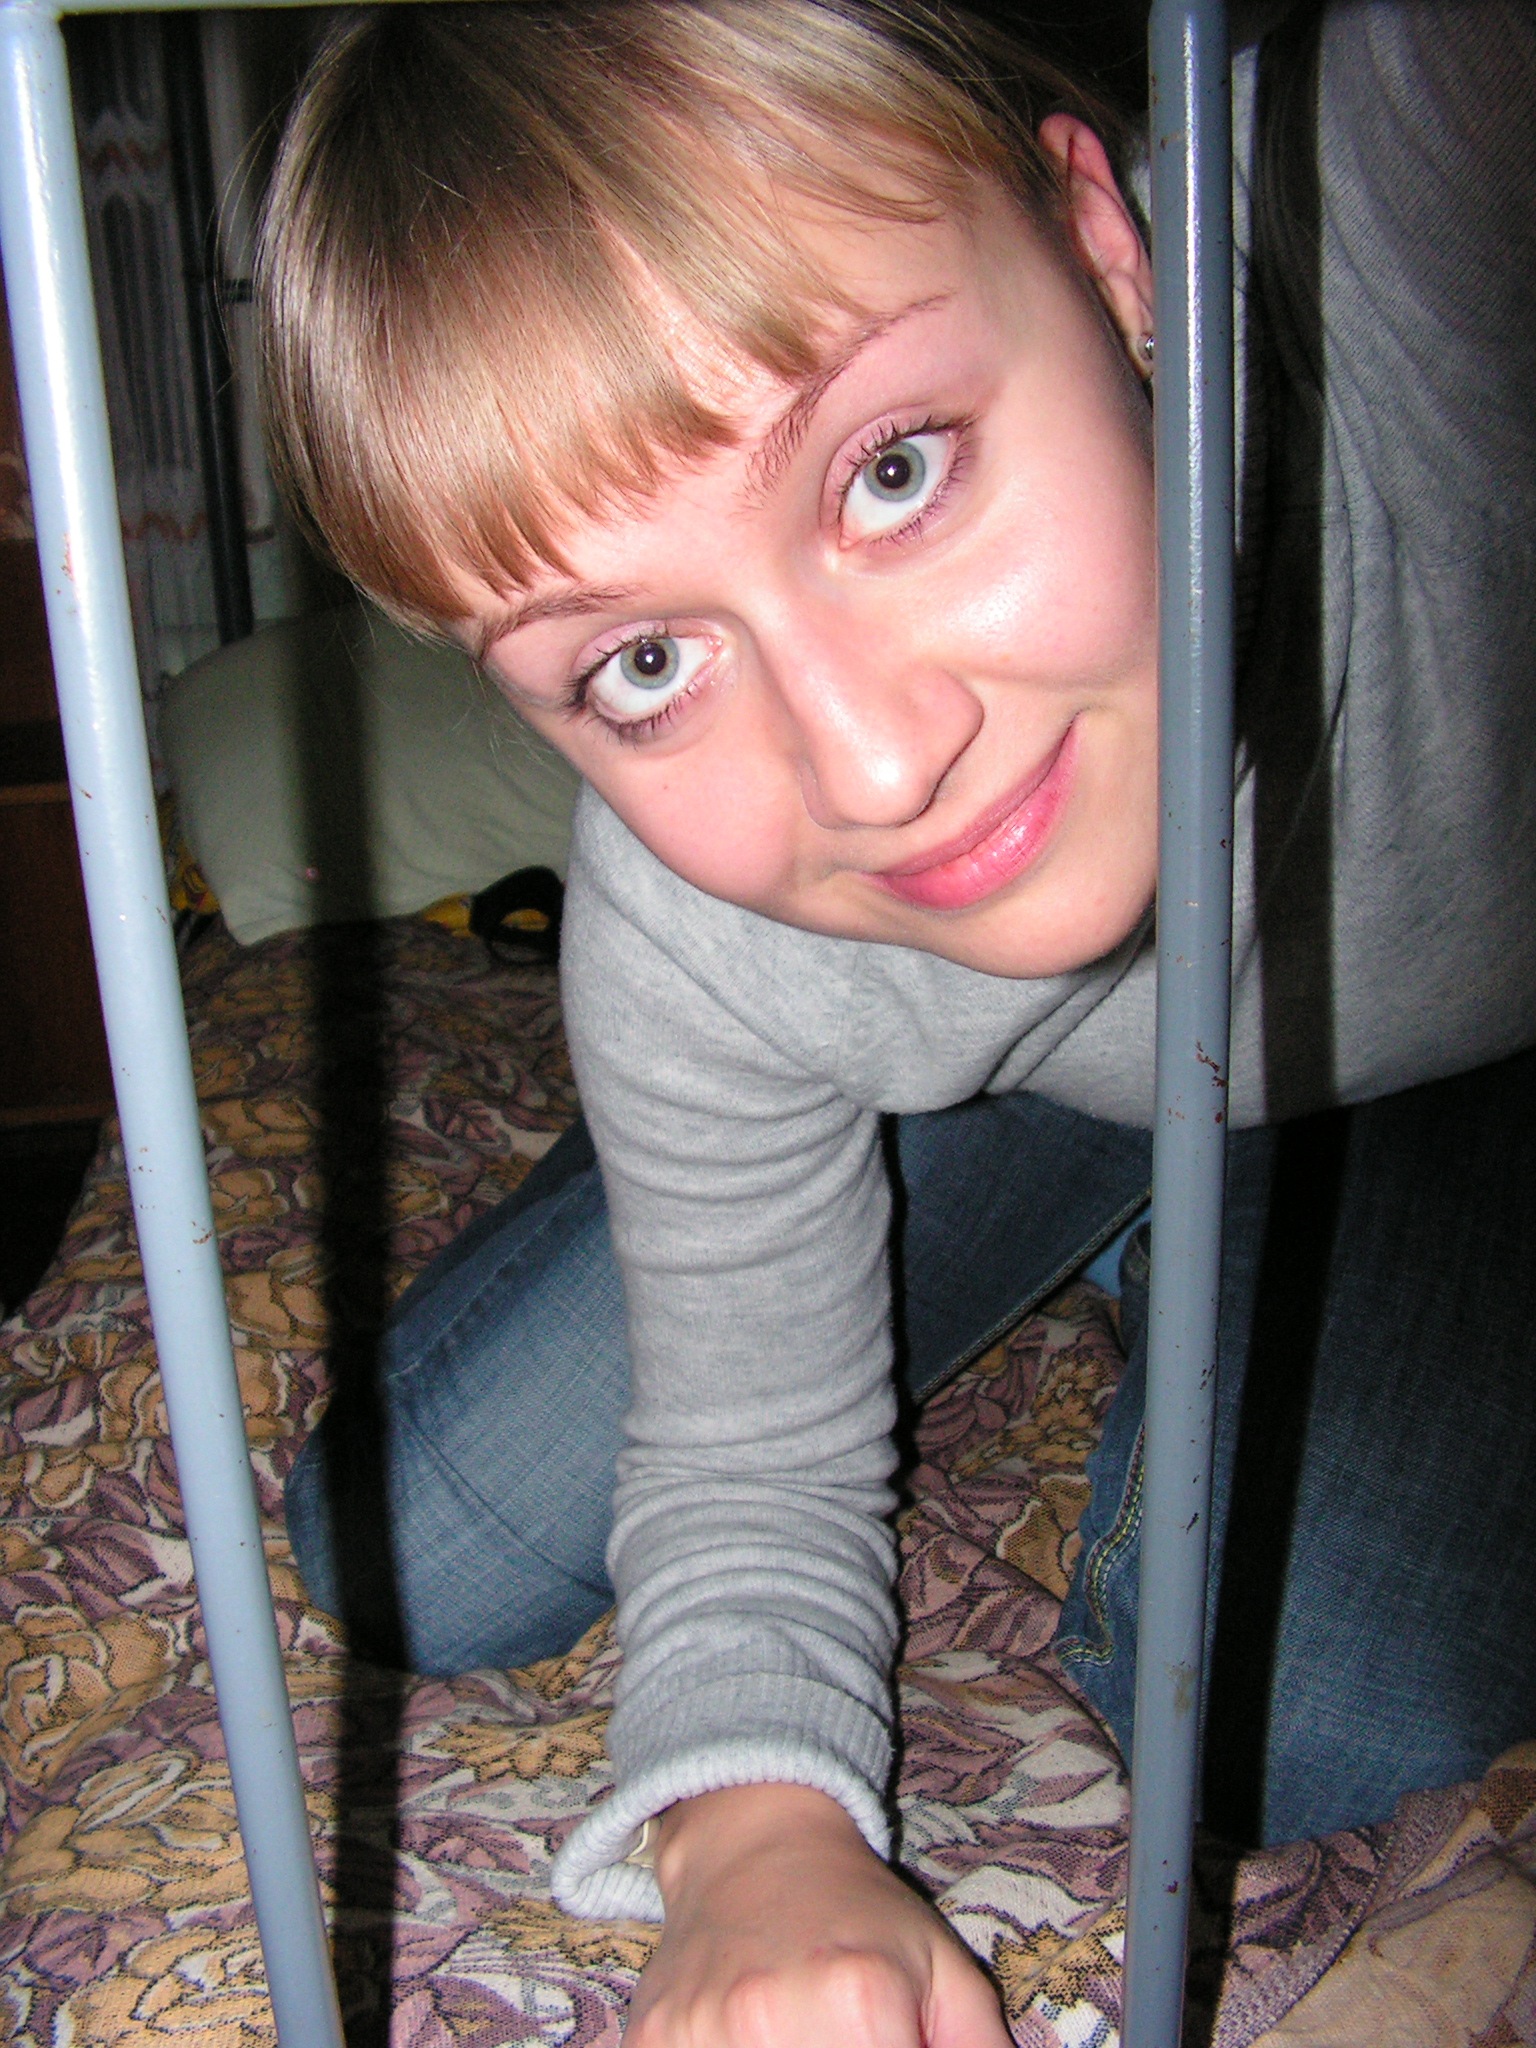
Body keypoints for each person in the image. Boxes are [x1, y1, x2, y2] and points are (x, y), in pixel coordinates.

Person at [255, 1, 1536, 2041]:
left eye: (896, 468)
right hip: (1016, 1066)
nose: (873, 765)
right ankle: (1103, 1196)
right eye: (644, 662)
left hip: (1469, 1067)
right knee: (403, 1542)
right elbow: (746, 1447)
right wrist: (759, 1842)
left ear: (1111, 251)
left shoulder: (1395, 222)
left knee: (1314, 1703)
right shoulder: (698, 915)